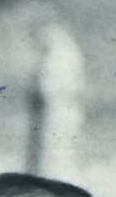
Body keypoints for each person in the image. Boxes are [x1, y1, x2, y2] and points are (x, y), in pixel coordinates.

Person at [28, 17, 89, 182]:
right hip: (54, 110)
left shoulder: (62, 56)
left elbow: (54, 87)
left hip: (60, 109)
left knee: (59, 148)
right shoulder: (57, 55)